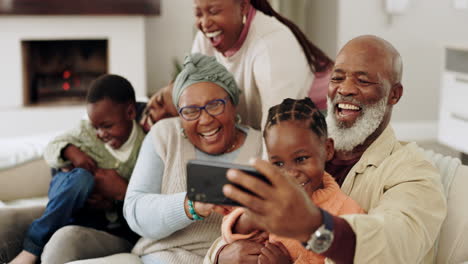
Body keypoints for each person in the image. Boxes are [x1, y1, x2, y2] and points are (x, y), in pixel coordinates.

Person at [207, 35, 447, 263]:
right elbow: (242, 226)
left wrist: (312, 227)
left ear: (394, 94)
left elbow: (393, 246)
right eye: (337, 78)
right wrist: (222, 254)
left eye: (363, 81)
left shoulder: (414, 171)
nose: (345, 89)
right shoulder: (297, 145)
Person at [69, 53, 264, 264]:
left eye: (215, 105)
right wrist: (192, 204)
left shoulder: (261, 147)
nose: (205, 119)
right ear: (180, 115)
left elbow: (272, 226)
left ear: (233, 102)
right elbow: (135, 211)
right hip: (153, 257)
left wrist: (216, 256)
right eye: (190, 111)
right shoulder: (165, 135)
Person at [10, 74, 146, 264]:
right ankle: (32, 248)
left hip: (96, 219)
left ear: (130, 113)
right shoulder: (86, 131)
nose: (100, 134)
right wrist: (71, 151)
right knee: (82, 178)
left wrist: (113, 201)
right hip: (69, 189)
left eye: (106, 126)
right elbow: (51, 148)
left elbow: (144, 198)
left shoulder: (145, 147)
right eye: (96, 127)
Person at [141, 0, 333, 131]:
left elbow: (279, 132)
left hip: (310, 127)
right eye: (198, 13)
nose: (205, 23)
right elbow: (191, 96)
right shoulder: (207, 37)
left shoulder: (271, 45)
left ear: (243, 6)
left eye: (214, 11)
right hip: (254, 131)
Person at [220, 98, 365, 264]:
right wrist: (247, 220)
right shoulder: (267, 194)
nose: (289, 174)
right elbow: (228, 232)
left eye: (301, 159)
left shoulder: (348, 213)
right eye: (278, 163)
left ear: (327, 149)